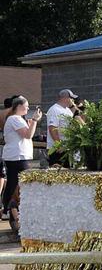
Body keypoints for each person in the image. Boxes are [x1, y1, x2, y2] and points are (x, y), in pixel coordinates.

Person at [2, 96, 42, 228]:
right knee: (15, 184)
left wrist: (31, 124)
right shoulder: (14, 118)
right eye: (26, 105)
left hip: (19, 156)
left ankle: (10, 210)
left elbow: (27, 134)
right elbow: (28, 135)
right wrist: (35, 120)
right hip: (17, 157)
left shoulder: (17, 119)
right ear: (19, 106)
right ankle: (9, 210)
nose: (28, 108)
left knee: (16, 183)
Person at [46, 89, 83, 166]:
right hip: (57, 149)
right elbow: (52, 128)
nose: (72, 100)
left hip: (67, 149)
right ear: (65, 98)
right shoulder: (54, 109)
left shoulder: (67, 110)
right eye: (71, 98)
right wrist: (59, 145)